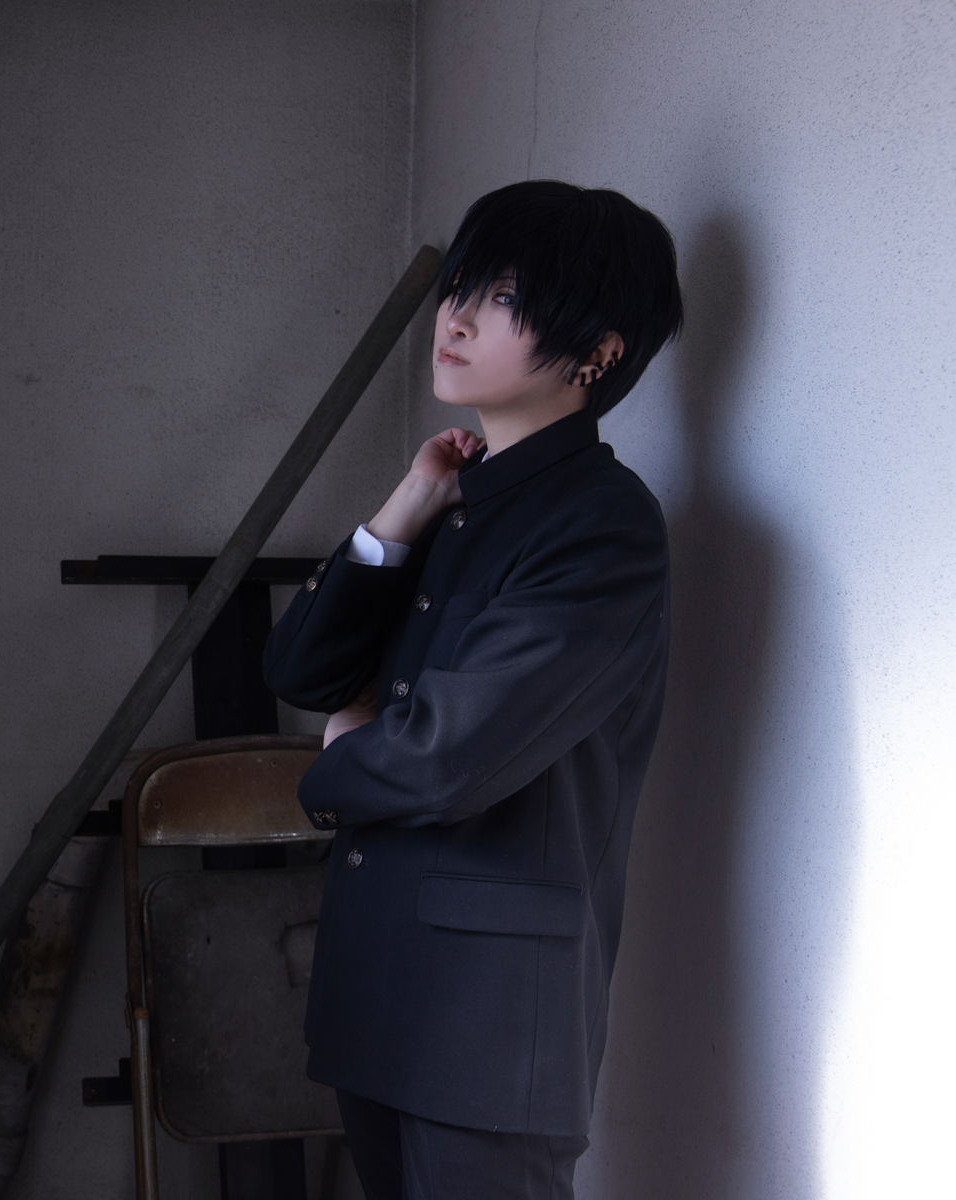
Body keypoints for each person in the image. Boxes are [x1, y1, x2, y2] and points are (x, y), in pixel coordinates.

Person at [263, 180, 684, 1199]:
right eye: (461, 286)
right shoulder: (458, 502)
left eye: (502, 297)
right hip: (382, 992)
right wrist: (404, 508)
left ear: (599, 352)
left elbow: (451, 755)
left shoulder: (604, 524)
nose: (453, 318)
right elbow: (302, 671)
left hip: (492, 1024)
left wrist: (337, 760)